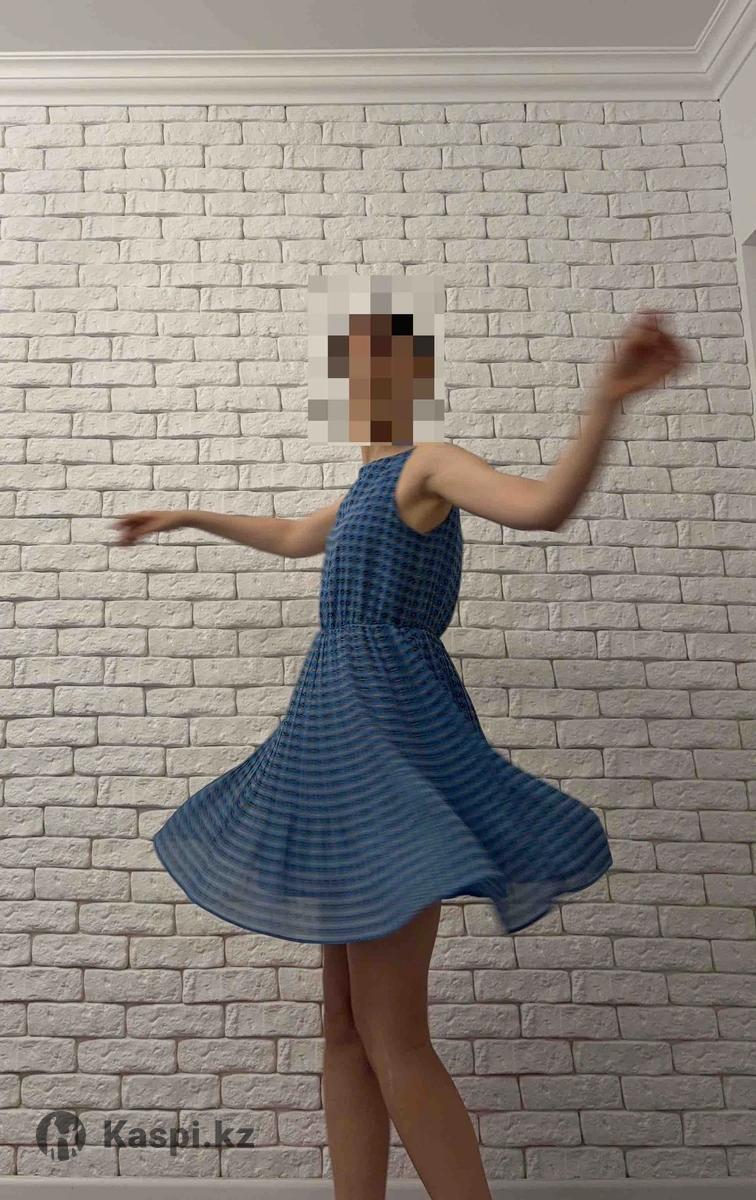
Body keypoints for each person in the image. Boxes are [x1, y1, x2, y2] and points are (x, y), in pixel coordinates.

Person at [113, 309, 687, 1200]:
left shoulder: (429, 465)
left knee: (392, 1034)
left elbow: (542, 508)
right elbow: (291, 534)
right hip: (332, 747)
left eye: (380, 369)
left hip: (388, 742)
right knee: (343, 1031)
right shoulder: (363, 490)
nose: (362, 388)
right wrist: (187, 514)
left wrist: (605, 402)